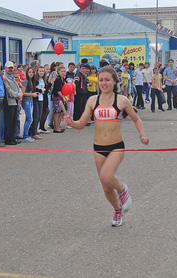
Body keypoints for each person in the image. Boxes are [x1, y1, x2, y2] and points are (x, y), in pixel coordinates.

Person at [64, 67, 149, 227]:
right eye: (101, 80)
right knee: (106, 186)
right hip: (98, 147)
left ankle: (123, 190)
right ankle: (117, 210)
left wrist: (142, 135)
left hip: (116, 146)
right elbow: (81, 124)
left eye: (107, 80)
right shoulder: (92, 101)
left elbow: (137, 119)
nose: (103, 83)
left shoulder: (122, 100)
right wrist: (71, 123)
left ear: (114, 81)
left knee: (106, 176)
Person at [3, 61, 23, 145]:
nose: (11, 69)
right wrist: (17, 95)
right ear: (6, 68)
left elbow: (18, 88)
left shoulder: (12, 78)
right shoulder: (5, 78)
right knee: (9, 122)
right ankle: (8, 139)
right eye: (9, 68)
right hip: (10, 102)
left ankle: (13, 137)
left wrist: (19, 94)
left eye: (12, 68)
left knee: (14, 122)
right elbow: (9, 91)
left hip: (15, 102)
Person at [21, 67, 38, 143]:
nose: (31, 73)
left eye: (32, 72)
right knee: (29, 119)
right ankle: (25, 136)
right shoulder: (26, 81)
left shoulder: (32, 81)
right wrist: (32, 94)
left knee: (29, 119)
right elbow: (23, 92)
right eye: (29, 72)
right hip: (26, 101)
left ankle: (26, 134)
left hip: (30, 101)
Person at [31, 66, 46, 140]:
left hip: (41, 99)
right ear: (37, 72)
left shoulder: (43, 79)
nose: (41, 73)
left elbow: (42, 88)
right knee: (36, 116)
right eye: (40, 71)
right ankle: (33, 133)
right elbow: (35, 88)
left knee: (39, 116)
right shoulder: (35, 79)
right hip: (36, 99)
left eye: (43, 71)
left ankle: (34, 130)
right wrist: (40, 90)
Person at [51, 66, 66, 133]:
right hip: (57, 97)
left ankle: (59, 126)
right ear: (58, 72)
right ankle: (56, 127)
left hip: (61, 97)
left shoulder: (63, 79)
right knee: (57, 113)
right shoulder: (58, 79)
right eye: (62, 71)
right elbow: (57, 90)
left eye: (64, 71)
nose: (63, 73)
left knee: (61, 112)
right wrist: (63, 97)